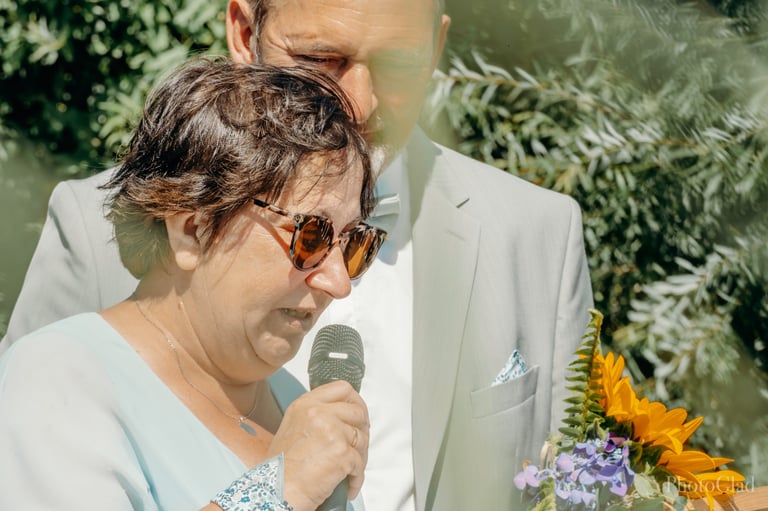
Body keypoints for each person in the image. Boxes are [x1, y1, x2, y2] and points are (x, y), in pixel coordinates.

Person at [2, 0, 595, 509]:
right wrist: (275, 490)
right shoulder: (69, 316)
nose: (357, 104)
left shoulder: (537, 231)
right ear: (244, 32)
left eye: (358, 244)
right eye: (319, 59)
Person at [0, 57, 389, 511]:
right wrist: (279, 491)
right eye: (311, 236)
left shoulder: (298, 409)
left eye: (355, 243)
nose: (339, 282)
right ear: (192, 231)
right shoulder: (58, 378)